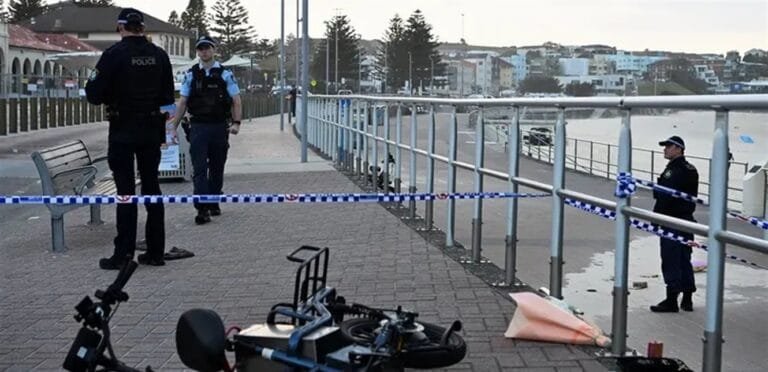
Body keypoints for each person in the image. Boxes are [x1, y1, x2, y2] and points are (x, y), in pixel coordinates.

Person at [85, 8, 174, 270]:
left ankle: (123, 255)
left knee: (125, 193)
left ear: (121, 28)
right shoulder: (159, 55)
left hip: (123, 129)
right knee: (152, 189)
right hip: (151, 129)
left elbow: (93, 93)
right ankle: (156, 251)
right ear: (142, 28)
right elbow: (168, 99)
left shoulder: (113, 55)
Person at [173, 35, 242, 225]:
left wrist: (236, 123)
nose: (204, 51)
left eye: (207, 48)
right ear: (198, 52)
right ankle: (202, 208)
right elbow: (183, 102)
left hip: (220, 127)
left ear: (214, 49)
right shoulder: (191, 74)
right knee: (200, 168)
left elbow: (236, 100)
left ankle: (214, 200)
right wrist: (173, 127)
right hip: (198, 127)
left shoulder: (225, 74)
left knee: (217, 167)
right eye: (201, 48)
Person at [651, 135, 699, 312]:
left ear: (679, 149)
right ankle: (687, 299)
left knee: (671, 259)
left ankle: (671, 299)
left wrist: (656, 219)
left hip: (672, 220)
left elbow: (665, 196)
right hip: (687, 221)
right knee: (684, 259)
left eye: (669, 146)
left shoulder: (673, 171)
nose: (665, 149)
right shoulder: (691, 168)